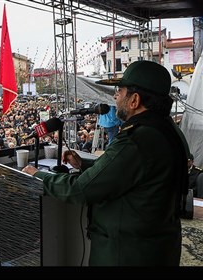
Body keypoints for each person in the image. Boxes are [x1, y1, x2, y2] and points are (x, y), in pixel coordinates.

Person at [22, 61, 190, 266]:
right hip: (158, 246)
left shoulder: (136, 139)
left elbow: (81, 190)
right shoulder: (169, 131)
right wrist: (83, 164)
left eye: (120, 90)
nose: (115, 96)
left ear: (134, 100)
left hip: (126, 253)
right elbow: (132, 174)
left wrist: (37, 176)